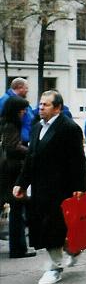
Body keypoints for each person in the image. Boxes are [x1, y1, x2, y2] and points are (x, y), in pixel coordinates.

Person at [13, 91, 86, 284]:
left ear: (57, 108)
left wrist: (79, 186)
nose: (41, 108)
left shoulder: (69, 128)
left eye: (45, 105)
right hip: (40, 188)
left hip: (61, 188)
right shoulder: (37, 127)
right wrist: (21, 183)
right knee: (45, 227)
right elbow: (30, 159)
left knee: (55, 227)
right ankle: (66, 254)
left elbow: (78, 159)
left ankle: (55, 267)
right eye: (40, 104)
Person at [1, 96, 35, 258]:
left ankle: (19, 247)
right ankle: (18, 248)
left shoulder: (5, 123)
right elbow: (12, 146)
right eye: (22, 110)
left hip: (7, 172)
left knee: (16, 207)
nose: (24, 113)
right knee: (17, 208)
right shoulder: (10, 125)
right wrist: (32, 151)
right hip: (10, 172)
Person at [0, 77, 36, 144]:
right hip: (19, 141)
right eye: (26, 88)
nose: (27, 90)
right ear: (20, 88)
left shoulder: (19, 100)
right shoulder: (6, 100)